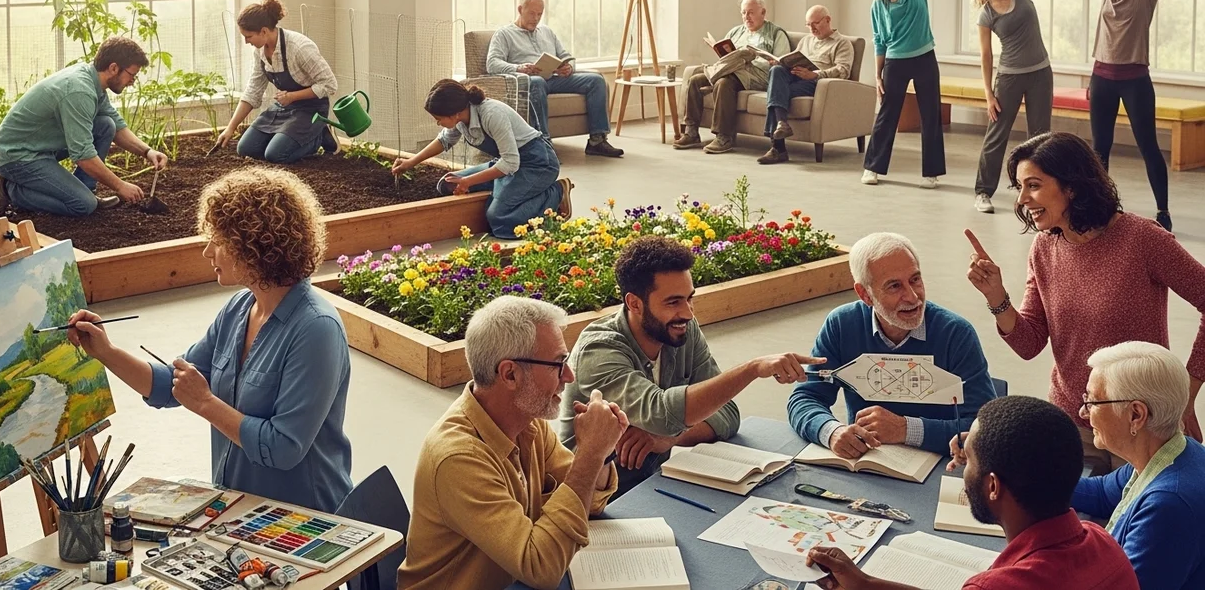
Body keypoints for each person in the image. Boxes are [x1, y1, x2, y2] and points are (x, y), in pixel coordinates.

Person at [65, 168, 354, 513]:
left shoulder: (316, 329)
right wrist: (106, 352)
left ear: (254, 246)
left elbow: (283, 447)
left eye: (218, 241)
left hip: (305, 518)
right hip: (241, 510)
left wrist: (204, 403)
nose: (207, 252)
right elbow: (168, 385)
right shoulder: (239, 309)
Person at [965, 132, 1205, 475]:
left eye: (1033, 185)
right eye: (1018, 187)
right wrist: (996, 297)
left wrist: (1186, 392)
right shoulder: (1045, 248)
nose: (1022, 200)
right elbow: (1029, 343)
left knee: (1133, 526)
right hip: (1074, 422)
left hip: (1142, 426)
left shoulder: (1142, 239)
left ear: (1072, 186)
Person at [560, 236, 824, 494]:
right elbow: (662, 414)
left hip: (661, 482)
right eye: (673, 302)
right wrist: (752, 369)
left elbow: (727, 414)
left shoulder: (681, 329)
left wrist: (666, 440)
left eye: (690, 298)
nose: (687, 312)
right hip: (598, 499)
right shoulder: (599, 349)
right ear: (634, 303)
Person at [397, 296, 625, 590]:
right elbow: (541, 568)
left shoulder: (529, 423)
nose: (569, 376)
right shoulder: (458, 458)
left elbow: (589, 503)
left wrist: (602, 452)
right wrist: (591, 454)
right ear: (510, 374)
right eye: (558, 363)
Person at [809, 396, 1138, 590]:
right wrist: (866, 585)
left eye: (970, 461)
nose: (963, 470)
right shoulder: (1102, 541)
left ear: (993, 486)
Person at [788, 233, 996, 457]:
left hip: (940, 465)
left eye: (915, 279)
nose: (913, 296)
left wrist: (905, 429)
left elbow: (985, 428)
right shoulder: (842, 324)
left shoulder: (955, 333)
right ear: (865, 295)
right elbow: (806, 397)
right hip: (868, 465)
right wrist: (831, 431)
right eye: (895, 286)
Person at [1069, 342, 1205, 590]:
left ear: (1135, 415)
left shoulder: (1169, 503)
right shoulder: (1174, 450)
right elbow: (1100, 493)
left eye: (1093, 402)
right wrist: (1022, 476)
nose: (1083, 413)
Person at [0, 36, 167, 217]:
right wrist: (120, 186)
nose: (132, 81)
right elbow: (83, 155)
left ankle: (85, 189)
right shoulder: (79, 91)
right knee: (82, 205)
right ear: (113, 68)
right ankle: (7, 189)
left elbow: (117, 126)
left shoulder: (93, 80)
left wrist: (147, 151)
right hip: (16, 155)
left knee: (106, 125)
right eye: (132, 75)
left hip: (39, 146)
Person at [393, 79, 571, 239]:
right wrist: (411, 162)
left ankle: (556, 194)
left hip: (537, 164)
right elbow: (444, 140)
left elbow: (511, 162)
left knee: (499, 219)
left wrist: (468, 181)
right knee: (447, 184)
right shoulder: (462, 118)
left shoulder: (492, 114)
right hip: (507, 163)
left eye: (438, 119)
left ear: (454, 113)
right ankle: (507, 190)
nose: (437, 123)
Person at [1091, 0, 1174, 230]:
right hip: (1102, 77)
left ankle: (1163, 212)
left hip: (1135, 79)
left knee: (1148, 146)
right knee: (1100, 149)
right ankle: (1101, 208)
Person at [954, 0, 1052, 215]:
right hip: (1009, 78)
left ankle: (1041, 190)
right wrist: (988, 94)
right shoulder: (985, 15)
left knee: (1041, 136)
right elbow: (986, 55)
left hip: (1040, 74)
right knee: (997, 135)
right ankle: (983, 191)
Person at [861, 0, 944, 189]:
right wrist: (878, 75)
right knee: (887, 116)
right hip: (895, 62)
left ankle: (931, 172)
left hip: (924, 57)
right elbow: (879, 41)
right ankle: (873, 168)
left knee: (930, 113)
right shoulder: (879, 4)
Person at [485, 0, 623, 157]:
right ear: (520, 9)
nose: (536, 18)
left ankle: (597, 141)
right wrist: (519, 67)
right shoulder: (504, 34)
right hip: (530, 82)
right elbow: (492, 63)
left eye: (539, 14)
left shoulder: (546, 31)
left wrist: (568, 67)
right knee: (537, 82)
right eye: (531, 13)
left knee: (596, 80)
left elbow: (565, 55)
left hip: (555, 79)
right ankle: (543, 145)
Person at [213, 0, 340, 163]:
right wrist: (230, 128)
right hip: (284, 107)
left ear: (264, 31)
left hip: (311, 109)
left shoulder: (300, 48)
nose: (246, 41)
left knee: (276, 155)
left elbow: (330, 84)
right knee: (246, 149)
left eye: (248, 36)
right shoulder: (259, 51)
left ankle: (321, 135)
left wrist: (292, 97)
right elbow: (253, 91)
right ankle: (287, 139)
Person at [675, 0, 791, 154]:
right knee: (695, 80)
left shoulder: (776, 33)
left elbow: (781, 61)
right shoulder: (736, 32)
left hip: (756, 75)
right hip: (731, 70)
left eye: (750, 12)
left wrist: (763, 60)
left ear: (763, 12)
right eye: (743, 13)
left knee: (723, 82)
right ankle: (691, 131)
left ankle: (724, 136)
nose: (746, 17)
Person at [757, 5, 856, 165]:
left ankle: (778, 149)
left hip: (817, 84)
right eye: (808, 25)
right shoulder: (806, 40)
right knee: (776, 70)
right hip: (795, 78)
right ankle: (782, 124)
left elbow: (843, 70)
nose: (811, 28)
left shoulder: (842, 43)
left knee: (776, 92)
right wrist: (781, 62)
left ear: (828, 20)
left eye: (815, 23)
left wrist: (815, 74)